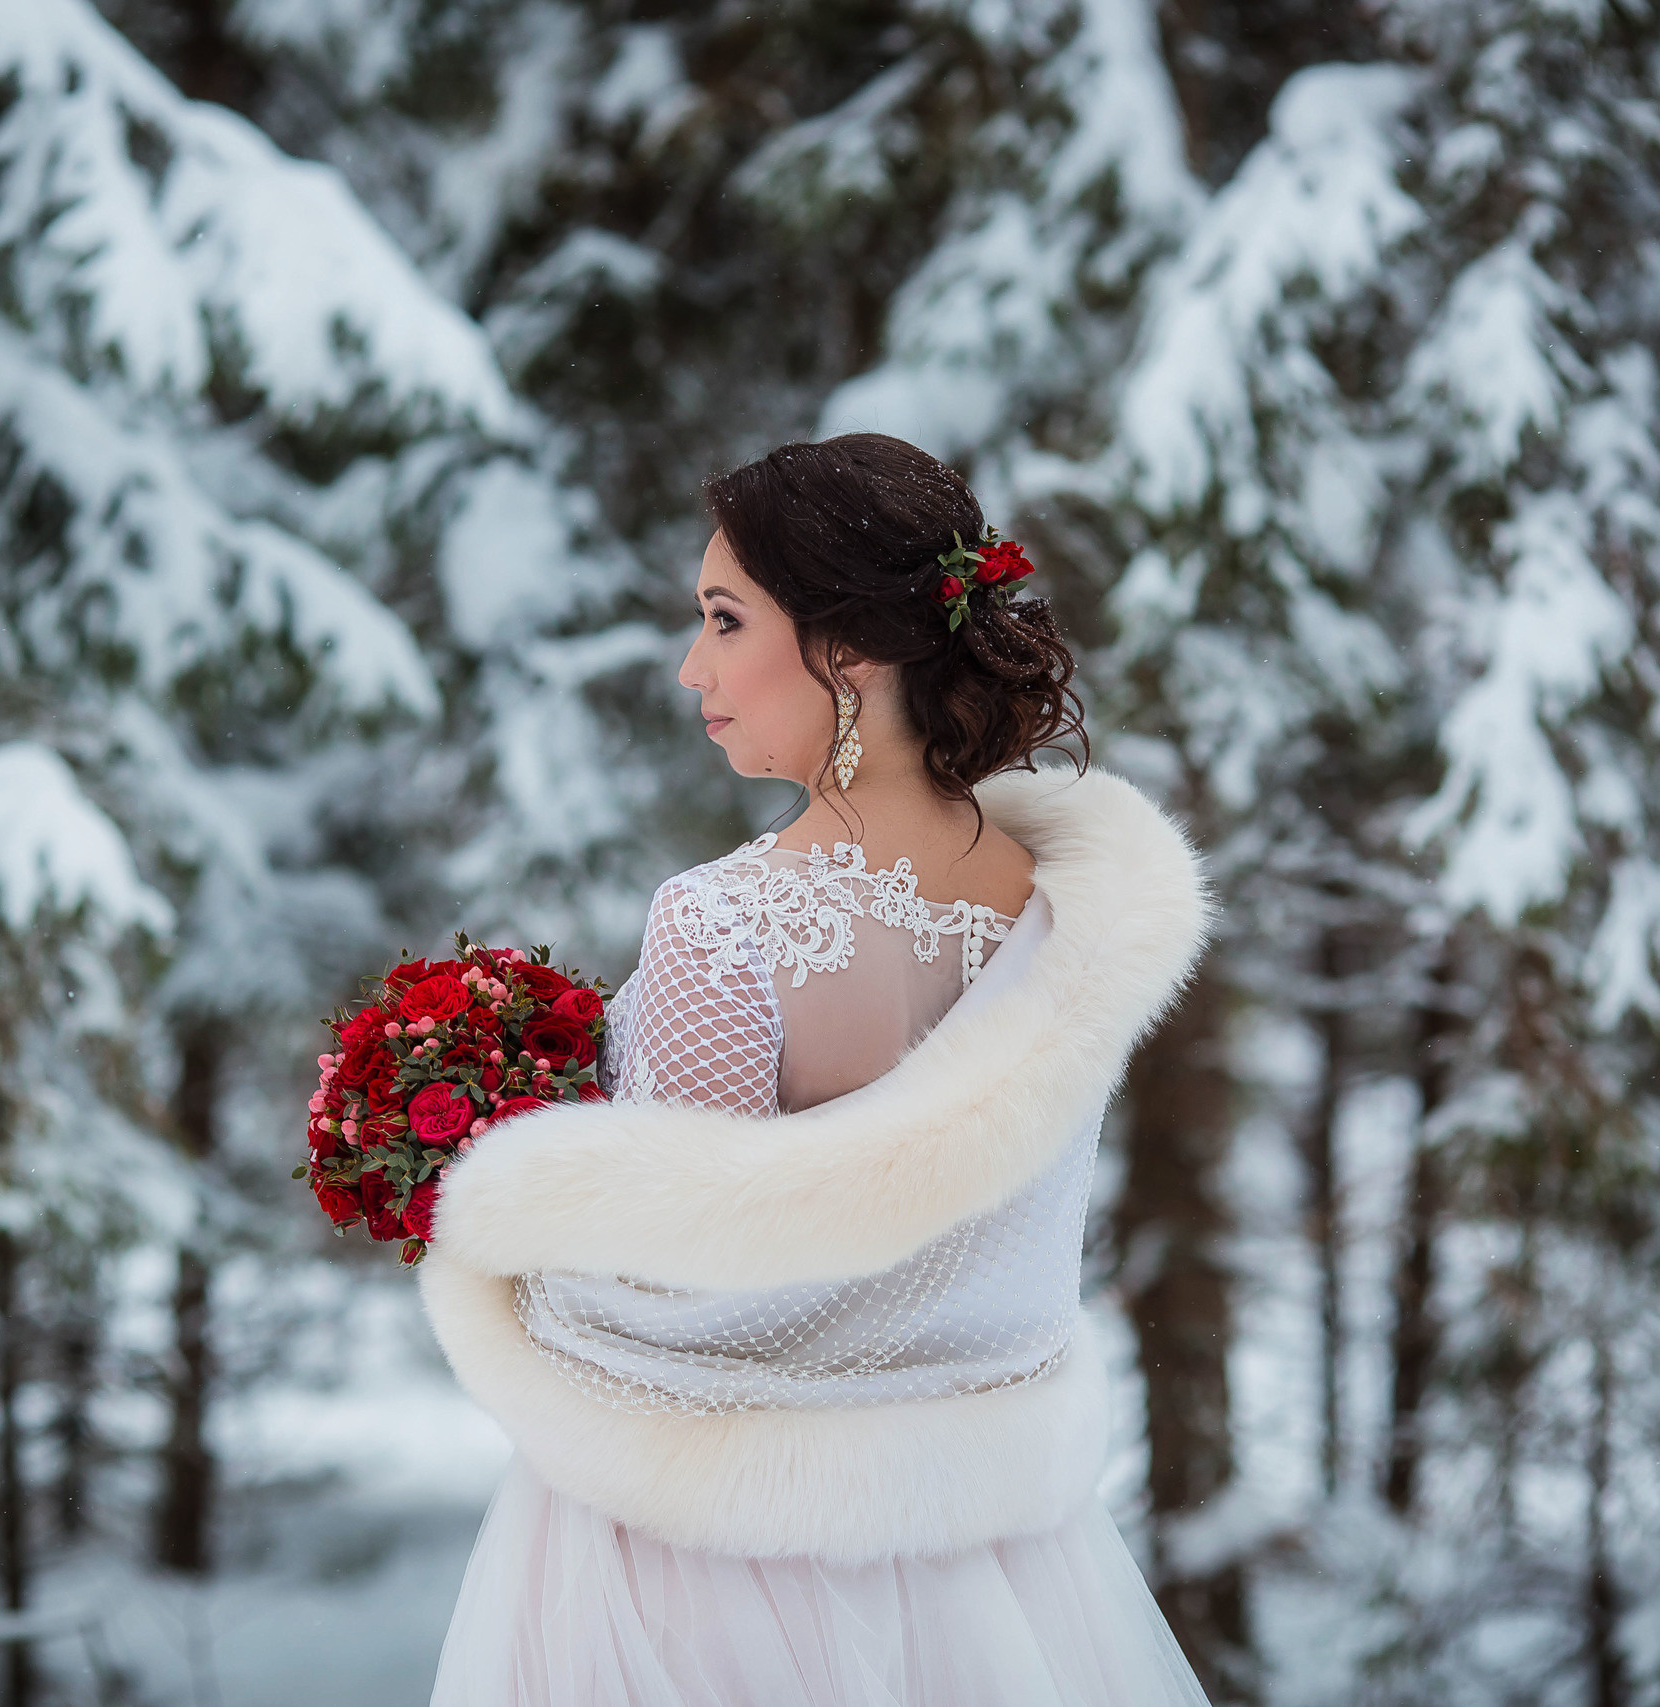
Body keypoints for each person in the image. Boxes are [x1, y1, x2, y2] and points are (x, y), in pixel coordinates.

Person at [418, 433, 1217, 1705]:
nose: (694, 669)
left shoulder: (721, 923)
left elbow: (673, 1289)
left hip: (708, 1566)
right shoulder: (1066, 916)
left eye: (725, 621)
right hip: (986, 1563)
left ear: (849, 645)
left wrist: (489, 1201)